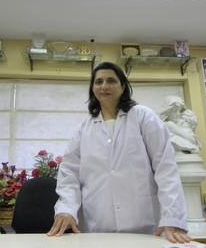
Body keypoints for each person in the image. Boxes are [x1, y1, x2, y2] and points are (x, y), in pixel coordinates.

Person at [47, 62, 190, 243]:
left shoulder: (143, 117)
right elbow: (69, 174)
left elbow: (166, 169)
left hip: (145, 226)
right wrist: (66, 209)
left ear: (123, 87)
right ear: (92, 89)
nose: (104, 86)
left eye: (111, 80)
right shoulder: (83, 129)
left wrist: (173, 218)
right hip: (97, 226)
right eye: (98, 82)